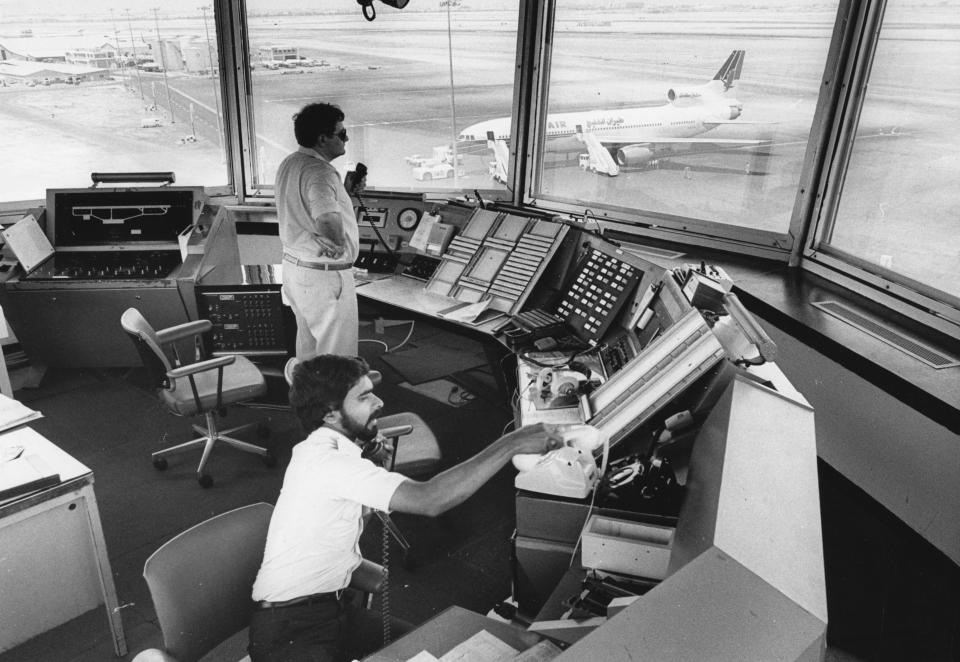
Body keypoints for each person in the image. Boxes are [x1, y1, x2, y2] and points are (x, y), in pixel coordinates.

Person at [248, 354, 563, 662]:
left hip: (333, 612)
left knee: (439, 649)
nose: (379, 403)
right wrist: (513, 442)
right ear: (330, 415)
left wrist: (367, 452)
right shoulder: (330, 464)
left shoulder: (320, 446)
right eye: (364, 397)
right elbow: (430, 499)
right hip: (290, 632)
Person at [276, 102, 366, 360]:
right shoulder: (320, 172)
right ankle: (338, 401)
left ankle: (308, 400)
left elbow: (304, 208)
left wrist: (344, 191)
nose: (346, 139)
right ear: (323, 138)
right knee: (338, 360)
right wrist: (339, 242)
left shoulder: (291, 163)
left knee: (309, 352)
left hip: (297, 270)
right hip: (324, 277)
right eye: (341, 134)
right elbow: (326, 218)